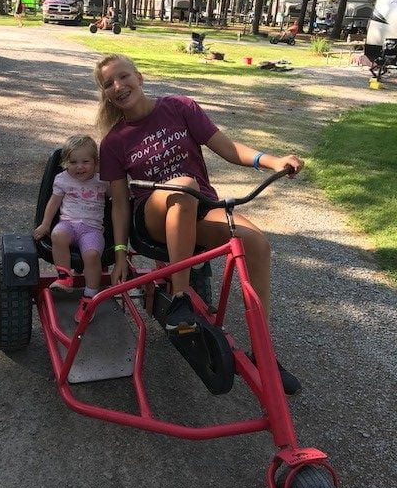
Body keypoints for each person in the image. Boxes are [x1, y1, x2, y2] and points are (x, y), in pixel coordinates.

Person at [94, 53, 305, 394]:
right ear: (105, 93)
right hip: (151, 218)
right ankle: (180, 300)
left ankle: (264, 354)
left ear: (139, 77)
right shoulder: (114, 142)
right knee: (184, 186)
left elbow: (228, 148)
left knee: (256, 243)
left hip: (199, 206)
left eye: (123, 77)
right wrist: (119, 252)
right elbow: (119, 203)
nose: (118, 86)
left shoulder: (179, 107)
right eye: (108, 84)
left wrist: (272, 161)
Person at [34, 135, 108, 322]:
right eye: (73, 162)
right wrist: (45, 223)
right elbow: (53, 202)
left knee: (91, 255)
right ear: (66, 163)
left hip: (92, 229)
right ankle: (65, 277)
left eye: (85, 162)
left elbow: (120, 196)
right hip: (68, 224)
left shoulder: (102, 181)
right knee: (58, 235)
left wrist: (110, 175)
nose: (79, 167)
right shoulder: (63, 179)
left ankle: (89, 297)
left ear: (95, 162)